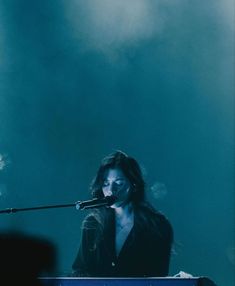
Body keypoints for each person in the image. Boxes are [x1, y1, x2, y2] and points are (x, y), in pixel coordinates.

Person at [72, 151, 173, 277]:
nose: (111, 190)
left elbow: (159, 276)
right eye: (106, 183)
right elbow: (80, 270)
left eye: (119, 183)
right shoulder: (93, 223)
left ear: (134, 185)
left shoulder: (157, 225)